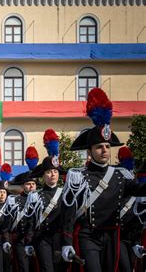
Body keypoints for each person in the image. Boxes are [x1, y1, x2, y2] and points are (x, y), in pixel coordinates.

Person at [61, 88, 146, 271]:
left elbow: (140, 190)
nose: (105, 150)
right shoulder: (79, 176)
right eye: (99, 147)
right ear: (90, 151)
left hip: (112, 235)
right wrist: (66, 242)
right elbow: (68, 213)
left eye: (107, 146)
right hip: (88, 235)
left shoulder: (120, 175)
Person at [23, 133, 67, 272]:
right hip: (42, 239)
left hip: (60, 239)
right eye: (48, 172)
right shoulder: (35, 196)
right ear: (43, 175)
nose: (52, 174)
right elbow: (30, 221)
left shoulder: (65, 193)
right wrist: (28, 242)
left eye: (55, 171)